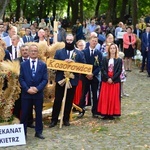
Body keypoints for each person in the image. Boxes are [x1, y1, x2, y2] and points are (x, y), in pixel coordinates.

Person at [49, 34, 85, 128]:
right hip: (61, 79)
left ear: (73, 41)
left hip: (72, 80)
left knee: (69, 100)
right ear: (65, 41)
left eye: (71, 40)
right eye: (67, 40)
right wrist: (63, 63)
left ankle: (66, 119)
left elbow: (83, 66)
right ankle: (54, 120)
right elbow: (54, 65)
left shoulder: (79, 53)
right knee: (58, 100)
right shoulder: (59, 52)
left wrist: (74, 64)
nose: (69, 42)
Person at [19, 44, 48, 139]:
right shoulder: (23, 64)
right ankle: (23, 133)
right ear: (29, 52)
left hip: (38, 94)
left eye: (35, 51)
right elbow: (21, 78)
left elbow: (45, 80)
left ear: (38, 52)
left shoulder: (42, 64)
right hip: (26, 94)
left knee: (39, 113)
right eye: (31, 51)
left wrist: (37, 88)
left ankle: (38, 132)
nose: (33, 52)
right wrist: (27, 89)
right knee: (25, 114)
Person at [78, 36, 103, 118]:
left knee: (95, 94)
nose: (94, 42)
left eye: (96, 41)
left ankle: (95, 111)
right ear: (89, 41)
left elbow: (100, 66)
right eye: (93, 41)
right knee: (83, 93)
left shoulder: (98, 53)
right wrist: (86, 74)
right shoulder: (83, 52)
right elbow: (81, 64)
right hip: (85, 76)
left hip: (94, 77)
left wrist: (93, 74)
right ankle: (81, 110)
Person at [97, 43, 122, 120]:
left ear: (116, 50)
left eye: (114, 48)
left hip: (114, 81)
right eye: (111, 48)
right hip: (106, 80)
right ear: (109, 50)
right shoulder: (105, 59)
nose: (112, 50)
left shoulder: (119, 60)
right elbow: (103, 69)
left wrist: (112, 79)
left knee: (113, 97)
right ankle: (105, 113)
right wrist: (107, 78)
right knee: (105, 97)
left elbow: (119, 71)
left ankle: (111, 113)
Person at [73, 40, 86, 106]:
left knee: (81, 91)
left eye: (82, 45)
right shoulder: (74, 53)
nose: (81, 47)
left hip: (82, 76)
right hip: (74, 75)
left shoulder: (85, 53)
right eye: (79, 45)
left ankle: (80, 104)